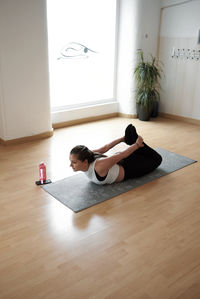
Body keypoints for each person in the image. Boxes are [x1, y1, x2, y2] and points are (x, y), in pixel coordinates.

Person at [69, 124, 162, 185]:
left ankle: (136, 141)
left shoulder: (99, 167)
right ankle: (133, 139)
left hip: (131, 168)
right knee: (143, 153)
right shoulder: (88, 155)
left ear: (85, 162)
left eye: (74, 162)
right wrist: (122, 139)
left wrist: (137, 145)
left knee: (157, 159)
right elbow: (105, 148)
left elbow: (121, 155)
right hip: (124, 161)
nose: (70, 165)